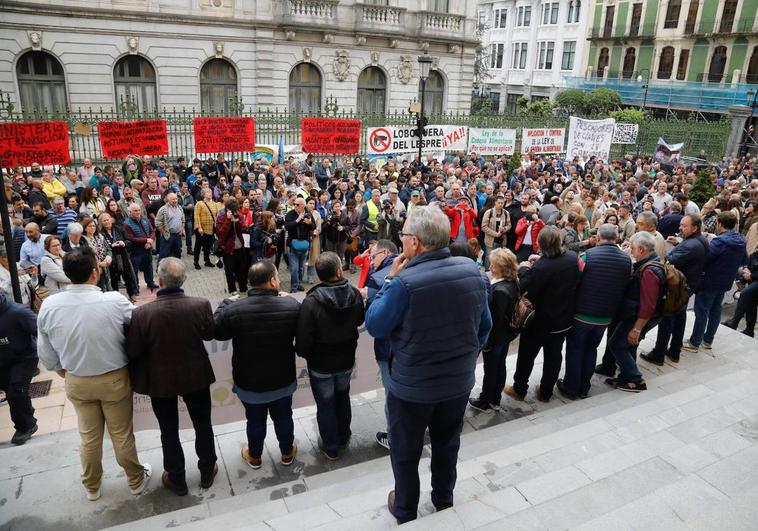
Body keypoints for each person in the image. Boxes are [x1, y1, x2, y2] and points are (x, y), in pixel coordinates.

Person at [365, 206, 491, 524]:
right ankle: (443, 498)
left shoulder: (404, 283)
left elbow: (376, 325)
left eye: (403, 235)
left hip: (412, 388)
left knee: (406, 451)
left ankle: (406, 508)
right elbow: (484, 329)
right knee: (448, 444)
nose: (401, 239)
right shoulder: (472, 270)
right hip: (458, 382)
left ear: (416, 243)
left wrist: (390, 278)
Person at [37, 247, 151, 501]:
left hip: (77, 379)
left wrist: (62, 370)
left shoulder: (50, 305)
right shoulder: (114, 301)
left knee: (89, 437)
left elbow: (45, 351)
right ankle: (135, 480)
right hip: (114, 378)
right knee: (121, 434)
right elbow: (139, 326)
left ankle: (91, 486)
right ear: (94, 273)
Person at [126, 258, 218, 496]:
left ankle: (177, 478)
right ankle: (207, 470)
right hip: (196, 375)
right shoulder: (200, 304)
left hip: (161, 379)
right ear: (185, 279)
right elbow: (209, 335)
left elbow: (133, 350)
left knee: (168, 430)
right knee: (203, 424)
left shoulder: (143, 313)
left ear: (159, 280)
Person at [214, 261, 300, 470]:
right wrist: (292, 302)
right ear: (272, 281)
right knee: (284, 416)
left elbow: (216, 330)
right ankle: (287, 452)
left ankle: (254, 456)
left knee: (254, 420)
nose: (279, 281)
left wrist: (224, 304)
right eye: (277, 277)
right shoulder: (291, 306)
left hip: (249, 381)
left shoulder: (234, 309)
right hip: (283, 378)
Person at [295, 252, 365, 459]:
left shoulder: (311, 301)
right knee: (342, 397)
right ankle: (343, 436)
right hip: (345, 359)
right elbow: (360, 320)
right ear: (339, 270)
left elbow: (303, 340)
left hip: (321, 364)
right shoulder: (353, 293)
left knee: (326, 403)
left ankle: (331, 446)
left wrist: (306, 354)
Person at [505, 227, 579, 402]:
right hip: (563, 319)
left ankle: (519, 388)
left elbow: (524, 286)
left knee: (526, 357)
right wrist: (540, 261)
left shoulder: (542, 268)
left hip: (539, 322)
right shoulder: (571, 258)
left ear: (540, 245)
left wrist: (524, 269)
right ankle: (546, 391)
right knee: (554, 357)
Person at [558, 224, 632, 400]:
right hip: (605, 316)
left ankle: (571, 388)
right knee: (591, 349)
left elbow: (575, 281)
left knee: (575, 350)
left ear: (598, 238)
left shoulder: (586, 256)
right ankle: (584, 387)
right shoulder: (626, 260)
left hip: (582, 314)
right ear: (616, 238)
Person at [645, 214, 708, 363]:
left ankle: (658, 354)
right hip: (687, 286)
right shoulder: (699, 240)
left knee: (667, 319)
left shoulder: (690, 245)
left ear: (695, 227)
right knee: (680, 317)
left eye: (684, 226)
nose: (680, 228)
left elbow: (669, 261)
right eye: (681, 224)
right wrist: (679, 243)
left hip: (677, 288)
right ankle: (674, 351)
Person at [608, 232, 664, 392]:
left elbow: (648, 304)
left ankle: (635, 378)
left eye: (632, 248)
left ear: (641, 249)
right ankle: (626, 376)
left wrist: (637, 329)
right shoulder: (652, 262)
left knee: (616, 344)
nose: (631, 251)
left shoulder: (648, 271)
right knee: (629, 345)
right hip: (635, 314)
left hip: (637, 317)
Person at [685, 212, 748, 352]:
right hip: (726, 281)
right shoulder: (741, 240)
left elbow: (706, 259)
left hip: (710, 280)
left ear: (719, 223)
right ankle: (707, 341)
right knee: (715, 310)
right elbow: (745, 260)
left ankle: (695, 342)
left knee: (701, 311)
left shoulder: (719, 242)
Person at [468, 247, 519, 412]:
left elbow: (494, 321)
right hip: (505, 336)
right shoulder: (513, 282)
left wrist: (488, 342)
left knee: (491, 369)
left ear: (502, 268)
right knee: (500, 366)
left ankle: (485, 401)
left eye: (494, 265)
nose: (490, 267)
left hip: (496, 337)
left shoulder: (499, 291)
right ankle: (495, 399)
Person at [362, 239, 398, 450]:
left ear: (384, 253)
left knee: (392, 395)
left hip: (387, 348)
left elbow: (372, 323)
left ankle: (394, 438)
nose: (371, 261)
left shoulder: (376, 279)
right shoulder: (411, 267)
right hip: (409, 346)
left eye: (372, 256)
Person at [0, 291, 38, 445]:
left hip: (24, 357)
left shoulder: (18, 312)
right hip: (2, 359)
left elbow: (40, 332)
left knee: (16, 391)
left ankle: (26, 426)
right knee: (10, 392)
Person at [99, 212, 138, 302]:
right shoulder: (100, 233)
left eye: (108, 220)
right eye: (104, 221)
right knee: (114, 279)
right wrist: (110, 246)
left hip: (122, 255)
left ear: (111, 220)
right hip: (110, 257)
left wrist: (123, 243)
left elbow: (129, 241)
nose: (107, 222)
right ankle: (116, 299)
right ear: (101, 222)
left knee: (127, 276)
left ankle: (131, 295)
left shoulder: (119, 229)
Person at [123, 203, 159, 294]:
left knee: (149, 267)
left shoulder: (144, 219)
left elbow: (152, 231)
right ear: (130, 212)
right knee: (134, 270)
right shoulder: (127, 224)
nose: (138, 212)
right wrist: (146, 240)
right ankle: (135, 288)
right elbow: (131, 238)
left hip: (147, 248)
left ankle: (150, 282)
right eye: (135, 211)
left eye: (139, 210)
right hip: (135, 251)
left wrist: (150, 241)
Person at [216, 198, 248, 296]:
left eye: (235, 209)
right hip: (228, 249)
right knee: (229, 271)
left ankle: (243, 287)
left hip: (240, 248)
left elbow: (244, 228)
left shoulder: (239, 215)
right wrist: (228, 221)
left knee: (242, 269)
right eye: (232, 210)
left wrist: (237, 221)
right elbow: (221, 234)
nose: (234, 212)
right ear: (227, 209)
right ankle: (232, 289)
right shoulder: (221, 218)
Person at [284, 197, 313, 293]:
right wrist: (298, 220)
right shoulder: (290, 214)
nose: (295, 206)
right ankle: (294, 287)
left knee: (301, 267)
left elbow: (314, 227)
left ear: (303, 205)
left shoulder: (308, 214)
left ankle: (299, 283)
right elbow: (287, 226)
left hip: (304, 244)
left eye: (297, 204)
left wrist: (309, 224)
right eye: (294, 204)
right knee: (294, 268)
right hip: (293, 244)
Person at [193, 188, 220, 269]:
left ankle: (207, 261)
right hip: (201, 229)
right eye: (208, 192)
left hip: (210, 229)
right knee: (198, 246)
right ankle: (196, 261)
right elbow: (196, 216)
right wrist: (199, 227)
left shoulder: (214, 204)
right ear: (203, 194)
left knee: (207, 246)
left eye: (210, 192)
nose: (210, 194)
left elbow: (216, 216)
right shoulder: (199, 203)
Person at [155, 192, 185, 261]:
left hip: (177, 235)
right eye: (173, 199)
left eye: (176, 199)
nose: (175, 201)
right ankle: (160, 270)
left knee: (177, 254)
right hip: (168, 236)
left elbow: (183, 219)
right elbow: (157, 222)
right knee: (164, 255)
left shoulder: (180, 208)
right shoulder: (163, 209)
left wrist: (182, 229)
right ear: (168, 199)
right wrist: (163, 232)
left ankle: (176, 269)